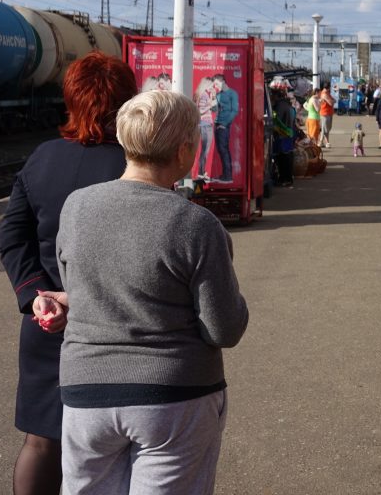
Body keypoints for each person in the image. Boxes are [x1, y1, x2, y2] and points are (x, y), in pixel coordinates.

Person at [55, 89, 249, 495]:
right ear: (182, 151)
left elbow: (77, 287)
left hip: (84, 391)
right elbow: (224, 330)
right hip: (173, 395)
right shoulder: (196, 224)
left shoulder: (76, 207)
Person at [0, 51, 138, 495]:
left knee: (41, 440)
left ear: (71, 99)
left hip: (46, 321)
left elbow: (12, 238)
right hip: (115, 324)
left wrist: (36, 294)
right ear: (126, 102)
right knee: (114, 445)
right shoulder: (135, 165)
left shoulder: (43, 158)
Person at [270, 80, 298, 188]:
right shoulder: (286, 104)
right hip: (288, 135)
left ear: (275, 96)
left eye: (272, 95)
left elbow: (278, 121)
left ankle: (285, 179)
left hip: (283, 136)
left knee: (283, 159)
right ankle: (287, 179)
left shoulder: (280, 106)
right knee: (287, 158)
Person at [212, 74, 238, 184]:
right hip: (217, 124)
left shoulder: (232, 93)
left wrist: (226, 123)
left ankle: (228, 176)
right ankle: (224, 175)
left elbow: (234, 110)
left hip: (224, 125)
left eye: (217, 84)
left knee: (224, 150)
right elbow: (214, 109)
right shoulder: (218, 95)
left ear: (222, 81)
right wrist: (212, 99)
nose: (216, 86)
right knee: (221, 150)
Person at [193, 77, 217, 180]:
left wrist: (213, 97)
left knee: (204, 151)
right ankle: (201, 173)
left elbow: (215, 109)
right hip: (204, 125)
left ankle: (201, 172)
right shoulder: (203, 95)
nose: (213, 87)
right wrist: (210, 105)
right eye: (212, 85)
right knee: (204, 151)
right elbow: (200, 111)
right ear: (207, 84)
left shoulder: (207, 95)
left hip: (206, 124)